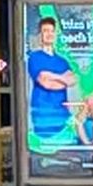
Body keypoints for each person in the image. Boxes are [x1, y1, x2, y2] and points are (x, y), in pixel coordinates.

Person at [24, 13, 75, 153]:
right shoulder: (34, 58)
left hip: (62, 118)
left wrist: (51, 76)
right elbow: (46, 83)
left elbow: (72, 80)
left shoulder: (62, 61)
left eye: (51, 31)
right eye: (45, 31)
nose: (49, 34)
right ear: (40, 34)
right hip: (42, 118)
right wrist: (61, 78)